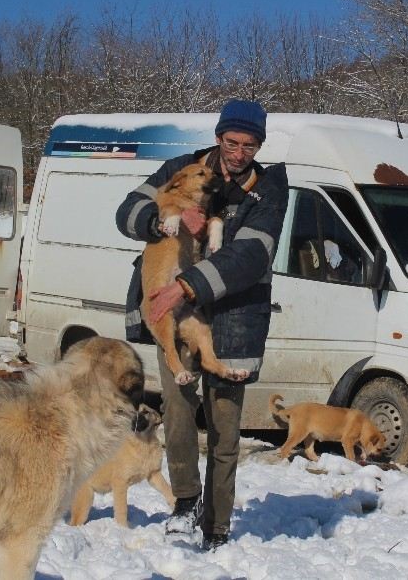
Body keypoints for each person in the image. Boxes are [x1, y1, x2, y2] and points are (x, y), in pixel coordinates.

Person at [115, 99, 287, 551]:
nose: (239, 152)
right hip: (171, 314)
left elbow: (251, 256)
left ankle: (217, 524)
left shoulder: (267, 191)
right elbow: (126, 213)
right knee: (176, 411)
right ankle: (185, 503)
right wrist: (164, 220)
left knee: (226, 429)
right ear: (218, 138)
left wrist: (187, 286)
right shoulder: (180, 168)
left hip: (233, 318)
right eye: (232, 142)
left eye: (249, 145)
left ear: (259, 145)